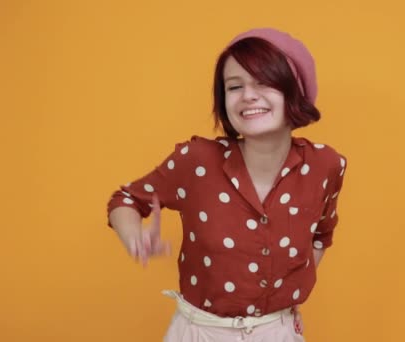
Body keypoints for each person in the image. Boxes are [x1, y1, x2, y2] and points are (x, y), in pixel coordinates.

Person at [106, 27, 348, 341]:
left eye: (263, 82)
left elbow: (321, 234)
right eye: (234, 86)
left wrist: (282, 301)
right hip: (199, 332)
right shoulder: (196, 161)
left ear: (295, 91)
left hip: (279, 332)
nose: (248, 95)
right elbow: (125, 199)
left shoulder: (326, 166)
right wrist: (133, 235)